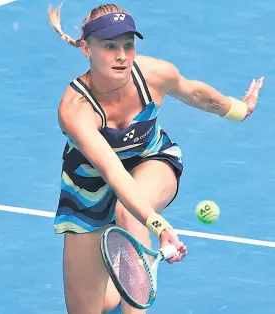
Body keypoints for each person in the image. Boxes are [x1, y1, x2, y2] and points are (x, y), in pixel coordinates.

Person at [47, 3, 264, 314]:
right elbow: (112, 172)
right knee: (90, 308)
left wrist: (240, 109)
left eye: (128, 44)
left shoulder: (153, 74)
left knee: (128, 211)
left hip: (152, 161)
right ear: (86, 48)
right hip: (88, 189)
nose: (121, 54)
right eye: (109, 46)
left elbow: (198, 94)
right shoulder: (75, 108)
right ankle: (115, 286)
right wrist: (160, 226)